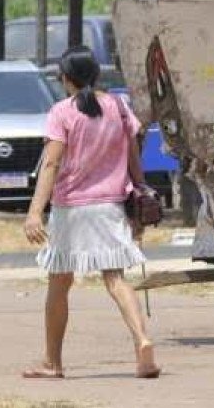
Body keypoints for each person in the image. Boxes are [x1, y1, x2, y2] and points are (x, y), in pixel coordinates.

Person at [22, 47, 159, 379]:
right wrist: (140, 188)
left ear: (67, 79)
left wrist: (34, 212)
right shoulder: (118, 107)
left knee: (59, 283)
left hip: (71, 208)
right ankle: (142, 340)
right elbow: (133, 154)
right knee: (115, 279)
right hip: (110, 204)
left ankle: (52, 362)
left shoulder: (61, 112)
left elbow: (52, 163)